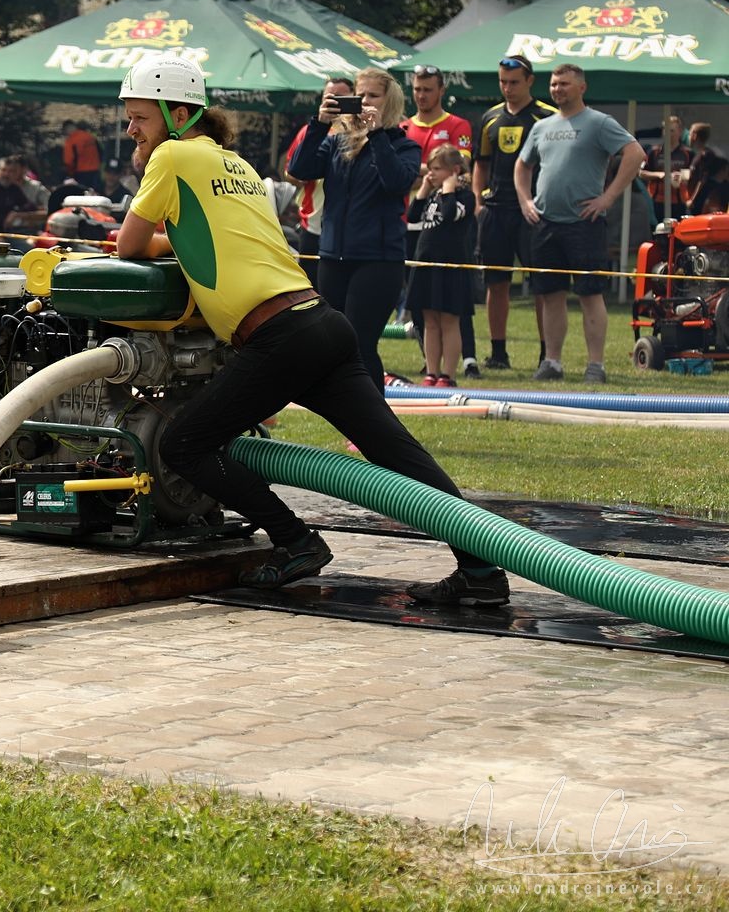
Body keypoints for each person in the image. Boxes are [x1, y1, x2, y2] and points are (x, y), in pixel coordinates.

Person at [113, 52, 509, 606]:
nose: (131, 130)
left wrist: (165, 243)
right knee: (400, 456)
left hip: (277, 336)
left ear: (179, 115)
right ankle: (482, 571)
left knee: (183, 444)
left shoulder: (172, 155)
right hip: (320, 322)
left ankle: (295, 541)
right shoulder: (234, 163)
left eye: (139, 118)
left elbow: (128, 245)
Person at [286, 68, 419, 391]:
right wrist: (319, 124)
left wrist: (377, 134)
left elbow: (396, 183)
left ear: (389, 101)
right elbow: (299, 168)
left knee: (360, 343)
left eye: (373, 95)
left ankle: (373, 417)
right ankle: (350, 413)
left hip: (378, 260)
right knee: (335, 345)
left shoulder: (404, 145)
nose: (365, 101)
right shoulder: (336, 142)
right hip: (333, 257)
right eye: (361, 95)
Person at [513, 64, 645, 383]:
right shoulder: (542, 127)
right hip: (545, 224)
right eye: (554, 84)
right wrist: (526, 201)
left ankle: (595, 366)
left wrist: (608, 198)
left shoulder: (599, 123)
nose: (557, 89)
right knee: (550, 295)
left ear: (582, 88)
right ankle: (552, 362)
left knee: (590, 295)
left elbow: (634, 154)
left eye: (564, 84)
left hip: (584, 224)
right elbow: (522, 165)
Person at [473, 55, 555, 370]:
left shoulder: (546, 116)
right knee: (496, 282)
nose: (507, 88)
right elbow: (480, 164)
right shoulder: (490, 118)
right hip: (495, 211)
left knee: (542, 285)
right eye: (503, 82)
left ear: (530, 81)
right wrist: (478, 202)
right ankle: (498, 353)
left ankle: (547, 355)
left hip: (533, 211)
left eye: (514, 82)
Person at [402, 63, 478, 378]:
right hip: (422, 248)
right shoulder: (404, 126)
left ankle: (459, 365)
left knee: (451, 315)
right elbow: (411, 205)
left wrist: (425, 174)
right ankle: (431, 369)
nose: (421, 95)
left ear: (441, 90)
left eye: (427, 89)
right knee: (426, 315)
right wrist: (424, 185)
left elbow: (461, 166)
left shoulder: (457, 125)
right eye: (417, 89)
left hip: (451, 254)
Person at [405, 145, 476, 388]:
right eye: (430, 168)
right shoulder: (434, 193)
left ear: (454, 170)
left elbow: (448, 216)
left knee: (448, 321)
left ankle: (448, 374)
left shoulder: (465, 196)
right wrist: (424, 189)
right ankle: (431, 371)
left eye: (437, 169)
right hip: (426, 263)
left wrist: (449, 190)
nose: (431, 173)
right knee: (430, 321)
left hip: (450, 266)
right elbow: (412, 216)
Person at [283, 76, 352, 286]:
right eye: (329, 97)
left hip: (348, 226)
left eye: (340, 97)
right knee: (310, 286)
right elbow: (290, 171)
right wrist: (309, 173)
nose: (334, 102)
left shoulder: (360, 131)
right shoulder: (310, 131)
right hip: (312, 224)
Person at [639, 114, 691, 220]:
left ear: (680, 132)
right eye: (665, 130)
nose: (668, 134)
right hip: (656, 200)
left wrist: (682, 176)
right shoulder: (654, 152)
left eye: (672, 130)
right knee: (658, 228)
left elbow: (693, 175)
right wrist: (660, 175)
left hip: (679, 201)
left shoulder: (688, 153)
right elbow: (641, 173)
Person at [686, 123, 728, 215]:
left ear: (694, 135)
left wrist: (692, 199)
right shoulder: (697, 154)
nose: (688, 137)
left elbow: (702, 179)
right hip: (694, 198)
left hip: (702, 199)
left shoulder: (706, 154)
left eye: (689, 134)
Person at [60, 119, 103, 190]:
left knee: (82, 194)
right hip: (95, 171)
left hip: (81, 173)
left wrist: (70, 173)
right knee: (95, 193)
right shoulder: (90, 137)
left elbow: (68, 161)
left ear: (67, 129)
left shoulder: (71, 141)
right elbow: (100, 152)